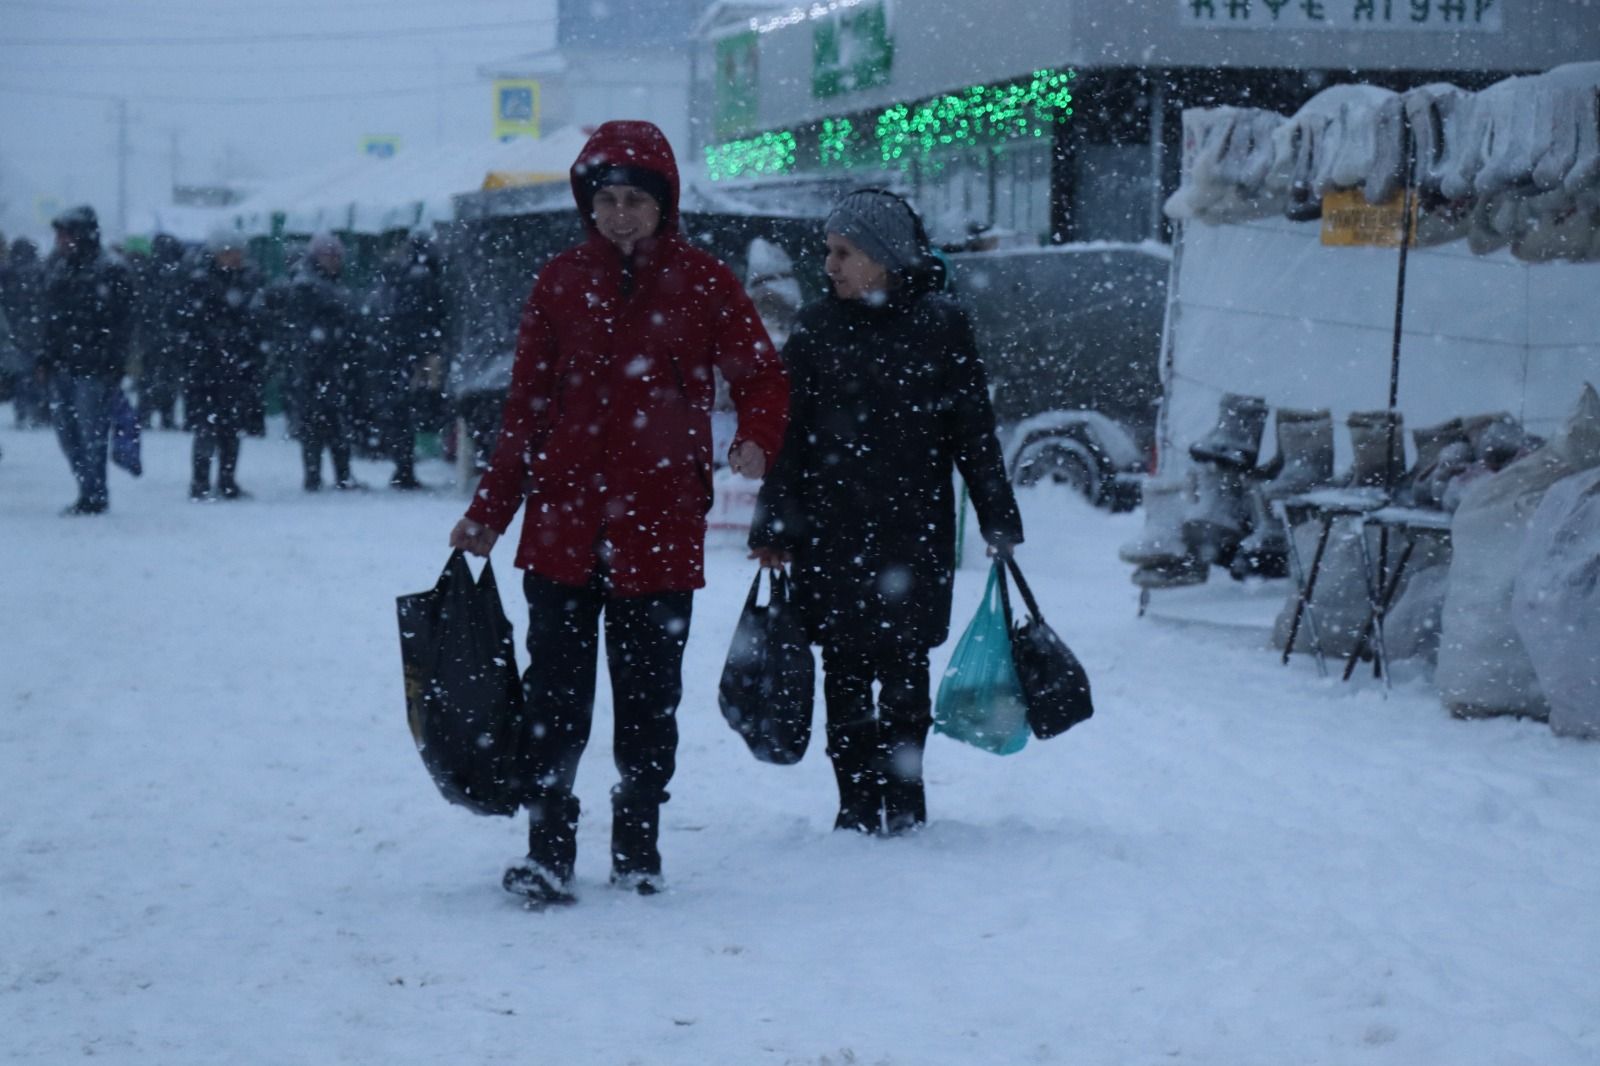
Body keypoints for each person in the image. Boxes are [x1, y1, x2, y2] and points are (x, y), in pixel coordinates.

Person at [448, 120, 789, 904]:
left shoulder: (704, 283)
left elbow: (764, 378)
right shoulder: (560, 282)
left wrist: (759, 441)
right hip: (564, 530)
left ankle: (639, 846)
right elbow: (525, 409)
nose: (621, 214)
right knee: (553, 701)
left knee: (648, 702)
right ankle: (549, 850)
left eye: (636, 199)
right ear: (588, 202)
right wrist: (490, 512)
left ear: (662, 203)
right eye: (608, 199)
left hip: (660, 530)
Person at [749, 188, 1023, 836]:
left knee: (904, 674)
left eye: (844, 252)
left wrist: (997, 516)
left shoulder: (940, 325)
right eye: (827, 252)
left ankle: (904, 803)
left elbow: (973, 431)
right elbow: (790, 438)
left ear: (885, 256)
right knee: (843, 672)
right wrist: (773, 525)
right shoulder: (816, 329)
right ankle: (853, 804)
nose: (830, 265)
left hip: (912, 532)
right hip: (833, 533)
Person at [38, 206, 136, 515]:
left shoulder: (110, 270)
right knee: (69, 434)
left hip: (93, 368)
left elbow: (123, 322)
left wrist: (112, 362)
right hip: (63, 366)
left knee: (91, 433)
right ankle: (87, 488)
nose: (60, 240)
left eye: (65, 233)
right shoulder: (60, 268)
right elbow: (51, 320)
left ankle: (94, 493)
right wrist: (46, 355)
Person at [270, 233, 364, 491]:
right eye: (328, 255)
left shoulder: (322, 284)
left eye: (336, 256)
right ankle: (316, 475)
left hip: (327, 363)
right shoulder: (307, 286)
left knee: (334, 422)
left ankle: (337, 475)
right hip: (313, 366)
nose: (333, 260)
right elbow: (300, 327)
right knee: (317, 422)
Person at [185, 231, 265, 500]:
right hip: (208, 366)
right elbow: (194, 322)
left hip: (236, 367)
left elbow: (254, 320)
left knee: (231, 428)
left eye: (237, 252)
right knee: (207, 427)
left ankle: (227, 480)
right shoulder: (203, 282)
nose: (234, 257)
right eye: (228, 252)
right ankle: (201, 481)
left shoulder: (247, 281)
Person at [135, 233, 193, 431]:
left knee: (149, 378)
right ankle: (165, 416)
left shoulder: (147, 272)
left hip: (153, 336)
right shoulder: (180, 273)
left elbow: (143, 305)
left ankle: (144, 414)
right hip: (172, 336)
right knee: (170, 378)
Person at [0, 237, 49, 428]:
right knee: (39, 373)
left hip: (15, 332)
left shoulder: (7, 273)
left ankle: (23, 412)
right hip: (39, 332)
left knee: (22, 374)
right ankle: (40, 410)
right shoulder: (40, 271)